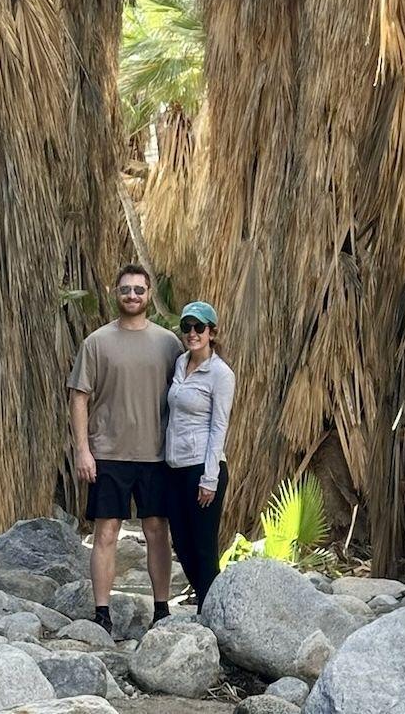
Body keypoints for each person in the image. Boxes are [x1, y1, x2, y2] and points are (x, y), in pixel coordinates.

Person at [68, 262, 183, 632]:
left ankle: (162, 610)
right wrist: (83, 450)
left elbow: (185, 397)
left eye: (139, 290)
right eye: (126, 290)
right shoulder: (96, 343)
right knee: (105, 533)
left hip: (156, 455)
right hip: (108, 454)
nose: (132, 295)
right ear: (115, 294)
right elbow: (79, 398)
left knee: (157, 530)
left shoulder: (169, 344)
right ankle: (102, 615)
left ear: (149, 295)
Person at [163, 300, 235, 611]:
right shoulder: (180, 364)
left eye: (198, 327)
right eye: (187, 327)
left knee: (204, 548)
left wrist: (209, 479)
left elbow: (219, 427)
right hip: (175, 468)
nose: (192, 333)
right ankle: (210, 605)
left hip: (203, 470)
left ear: (212, 332)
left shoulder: (220, 374)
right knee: (181, 544)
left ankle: (212, 613)